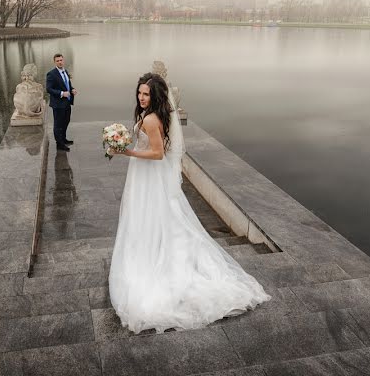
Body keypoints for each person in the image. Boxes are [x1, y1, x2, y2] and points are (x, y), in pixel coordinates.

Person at [108, 73, 270, 333]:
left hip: (148, 174)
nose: (141, 97)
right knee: (158, 215)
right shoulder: (154, 115)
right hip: (148, 176)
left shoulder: (150, 119)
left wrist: (127, 151)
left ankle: (151, 255)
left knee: (148, 214)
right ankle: (156, 246)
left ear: (156, 96)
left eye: (146, 94)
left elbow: (158, 153)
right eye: (139, 93)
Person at [46, 53, 76, 152]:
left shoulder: (65, 71)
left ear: (63, 60)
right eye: (57, 61)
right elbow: (49, 89)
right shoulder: (51, 74)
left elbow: (67, 85)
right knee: (58, 125)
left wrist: (72, 90)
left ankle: (63, 139)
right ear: (55, 62)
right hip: (58, 104)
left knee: (66, 122)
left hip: (67, 103)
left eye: (61, 60)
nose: (60, 62)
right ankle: (59, 144)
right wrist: (62, 93)